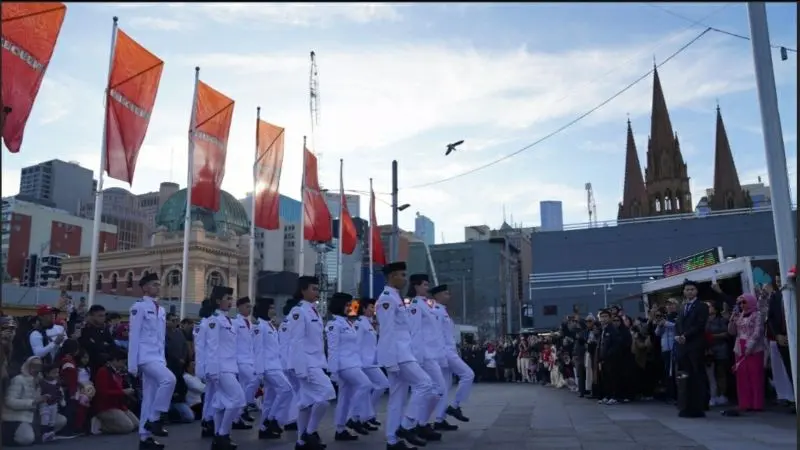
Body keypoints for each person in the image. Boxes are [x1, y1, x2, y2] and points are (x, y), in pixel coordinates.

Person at [376, 262, 437, 450]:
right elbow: (386, 332)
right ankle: (406, 426)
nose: (404, 278)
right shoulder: (387, 298)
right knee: (425, 384)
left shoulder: (396, 297)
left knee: (397, 398)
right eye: (402, 275)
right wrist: (390, 361)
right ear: (392, 276)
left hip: (402, 352)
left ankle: (392, 441)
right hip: (398, 354)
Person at [128, 272, 177, 450]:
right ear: (145, 287)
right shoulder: (138, 307)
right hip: (145, 357)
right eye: (154, 284)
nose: (158, 287)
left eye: (158, 284)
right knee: (169, 379)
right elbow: (134, 336)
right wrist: (132, 365)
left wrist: (162, 358)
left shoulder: (161, 310)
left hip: (157, 357)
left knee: (149, 398)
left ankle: (145, 438)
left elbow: (160, 338)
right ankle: (155, 419)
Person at [287, 276, 337, 450]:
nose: (317, 292)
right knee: (327, 394)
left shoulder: (312, 310)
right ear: (303, 290)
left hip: (315, 362)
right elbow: (296, 341)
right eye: (313, 289)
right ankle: (310, 432)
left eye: (317, 289)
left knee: (306, 403)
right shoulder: (298, 311)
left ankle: (301, 442)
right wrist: (299, 368)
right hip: (306, 363)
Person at [326, 292, 372, 441]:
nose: (349, 308)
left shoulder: (347, 323)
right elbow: (333, 349)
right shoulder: (334, 324)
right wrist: (333, 371)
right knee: (366, 384)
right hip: (344, 365)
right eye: (346, 305)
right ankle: (353, 417)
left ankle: (340, 430)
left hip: (353, 363)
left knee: (344, 398)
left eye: (349, 305)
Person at [205, 286, 246, 450]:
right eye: (227, 298)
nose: (231, 301)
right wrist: (213, 370)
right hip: (220, 367)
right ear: (217, 301)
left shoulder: (229, 320)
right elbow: (212, 347)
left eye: (231, 298)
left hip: (229, 366)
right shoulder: (214, 320)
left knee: (221, 402)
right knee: (238, 398)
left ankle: (218, 437)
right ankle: (223, 434)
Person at [405, 274, 445, 440]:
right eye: (425, 285)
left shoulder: (425, 304)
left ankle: (420, 423)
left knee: (434, 390)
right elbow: (415, 331)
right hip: (423, 354)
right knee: (434, 388)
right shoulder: (415, 305)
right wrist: (418, 356)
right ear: (416, 286)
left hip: (431, 354)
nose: (427, 288)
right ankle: (411, 424)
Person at [429, 284, 473, 428]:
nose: (449, 296)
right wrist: (441, 353)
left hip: (448, 351)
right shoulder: (436, 311)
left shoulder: (442, 311)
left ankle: (439, 420)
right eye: (446, 294)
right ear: (438, 296)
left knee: (445, 387)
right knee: (468, 374)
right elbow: (435, 335)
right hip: (445, 352)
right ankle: (454, 406)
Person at [254, 297, 293, 440]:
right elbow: (258, 350)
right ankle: (272, 420)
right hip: (268, 367)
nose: (273, 310)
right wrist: (259, 371)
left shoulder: (270, 325)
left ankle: (264, 428)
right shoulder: (260, 326)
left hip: (275, 365)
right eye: (270, 308)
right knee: (286, 390)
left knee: (269, 399)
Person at [674, 279, 709, 418]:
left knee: (697, 375)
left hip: (695, 345)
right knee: (685, 376)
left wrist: (685, 336)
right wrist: (678, 335)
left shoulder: (702, 306)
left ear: (696, 291)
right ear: (683, 291)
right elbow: (678, 324)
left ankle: (699, 405)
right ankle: (686, 405)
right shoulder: (682, 307)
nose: (689, 292)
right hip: (683, 346)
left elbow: (700, 325)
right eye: (687, 289)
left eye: (692, 289)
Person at [351, 298, 388, 428]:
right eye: (371, 307)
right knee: (381, 384)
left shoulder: (369, 323)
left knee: (378, 386)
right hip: (363, 363)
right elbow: (357, 344)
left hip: (371, 362)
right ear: (364, 309)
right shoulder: (360, 323)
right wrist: (357, 363)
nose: (373, 310)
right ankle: (358, 416)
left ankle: (367, 415)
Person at [728, 293, 766, 412]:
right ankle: (745, 403)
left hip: (754, 348)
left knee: (755, 376)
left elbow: (758, 332)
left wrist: (750, 346)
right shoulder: (740, 315)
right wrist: (732, 320)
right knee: (742, 376)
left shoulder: (757, 314)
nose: (742, 305)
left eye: (744, 302)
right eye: (740, 303)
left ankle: (756, 404)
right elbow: (732, 332)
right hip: (740, 347)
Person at [93, 349, 139, 435]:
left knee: (136, 425)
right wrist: (123, 392)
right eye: (122, 362)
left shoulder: (117, 372)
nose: (123, 365)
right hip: (106, 407)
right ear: (115, 360)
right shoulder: (103, 371)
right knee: (128, 427)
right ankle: (101, 426)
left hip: (117, 405)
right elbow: (103, 392)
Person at [232, 297, 257, 427]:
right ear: (239, 307)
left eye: (250, 307)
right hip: (240, 360)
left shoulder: (250, 324)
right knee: (254, 380)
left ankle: (237, 417)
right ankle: (247, 404)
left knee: (242, 387)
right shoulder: (235, 323)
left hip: (249, 359)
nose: (249, 309)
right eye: (247, 306)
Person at [195, 299, 217, 439]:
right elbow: (199, 348)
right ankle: (208, 420)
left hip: (213, 363)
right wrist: (201, 369)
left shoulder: (210, 323)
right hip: (207, 364)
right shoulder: (202, 325)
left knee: (212, 394)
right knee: (211, 395)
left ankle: (209, 420)